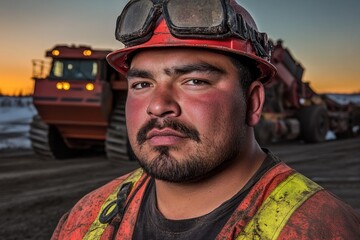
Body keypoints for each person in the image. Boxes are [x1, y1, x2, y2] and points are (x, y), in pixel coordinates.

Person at [52, 0, 360, 239]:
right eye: (142, 85)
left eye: (194, 81)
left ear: (253, 102)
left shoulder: (322, 228)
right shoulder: (86, 217)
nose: (158, 106)